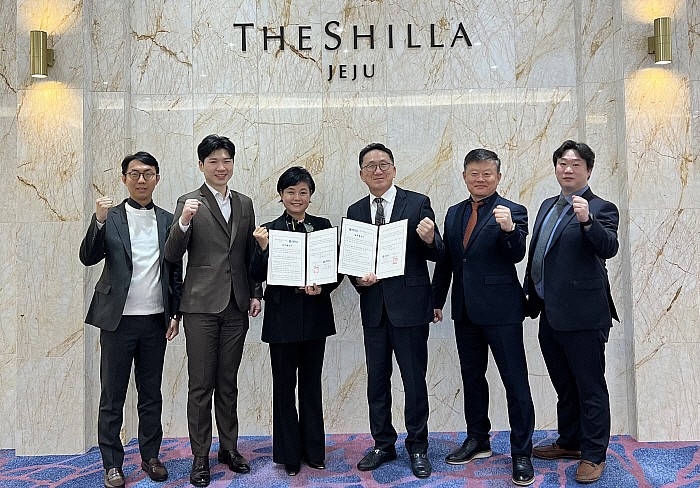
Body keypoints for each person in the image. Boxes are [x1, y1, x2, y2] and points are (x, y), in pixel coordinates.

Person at [432, 149, 535, 486]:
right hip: (465, 310)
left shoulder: (513, 210)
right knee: (473, 378)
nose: (480, 179)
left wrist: (509, 230)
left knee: (515, 382)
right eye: (474, 173)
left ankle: (521, 452)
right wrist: (437, 300)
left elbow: (516, 254)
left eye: (487, 174)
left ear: (498, 177)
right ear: (464, 176)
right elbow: (448, 261)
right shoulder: (454, 213)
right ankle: (478, 439)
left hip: (502, 311)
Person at [79, 151, 182, 488]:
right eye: (134, 173)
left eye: (148, 173)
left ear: (157, 178)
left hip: (154, 320)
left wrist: (175, 313)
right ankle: (112, 464)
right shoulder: (110, 217)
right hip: (118, 321)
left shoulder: (168, 219)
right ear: (124, 179)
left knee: (151, 394)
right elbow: (88, 257)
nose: (141, 179)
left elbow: (174, 271)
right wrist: (97, 221)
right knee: (113, 396)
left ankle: (151, 457)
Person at [164, 134, 262, 487]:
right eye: (213, 161)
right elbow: (172, 254)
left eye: (227, 161)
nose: (221, 167)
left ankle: (229, 449)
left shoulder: (245, 202)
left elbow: (250, 253)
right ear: (201, 165)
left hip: (237, 304)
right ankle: (200, 456)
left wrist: (255, 292)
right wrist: (184, 222)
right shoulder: (188, 201)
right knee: (201, 384)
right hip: (200, 306)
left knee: (228, 382)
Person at [347, 142, 444, 479]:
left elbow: (438, 253)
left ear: (394, 169)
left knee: (413, 381)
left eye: (384, 164)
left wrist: (430, 239)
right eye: (370, 166)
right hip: (374, 309)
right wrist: (358, 279)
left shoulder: (416, 203)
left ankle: (418, 447)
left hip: (410, 309)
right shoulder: (355, 211)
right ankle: (383, 444)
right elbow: (352, 262)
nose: (378, 170)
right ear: (362, 174)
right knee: (377, 382)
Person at [525, 140, 619, 484]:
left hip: (583, 315)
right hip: (549, 312)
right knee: (564, 384)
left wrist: (588, 221)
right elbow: (540, 254)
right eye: (562, 163)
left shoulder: (602, 207)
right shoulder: (548, 205)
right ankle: (570, 442)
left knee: (590, 387)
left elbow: (608, 247)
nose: (568, 169)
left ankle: (593, 454)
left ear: (588, 170)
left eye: (576, 164)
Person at [250, 166, 340, 477]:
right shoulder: (267, 231)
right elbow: (256, 274)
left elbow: (335, 270)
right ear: (281, 195)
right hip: (281, 320)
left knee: (312, 386)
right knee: (284, 387)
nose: (297, 197)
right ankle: (289, 454)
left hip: (315, 318)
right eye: (291, 192)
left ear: (310, 195)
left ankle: (314, 451)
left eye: (303, 192)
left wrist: (322, 287)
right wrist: (263, 249)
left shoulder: (323, 226)